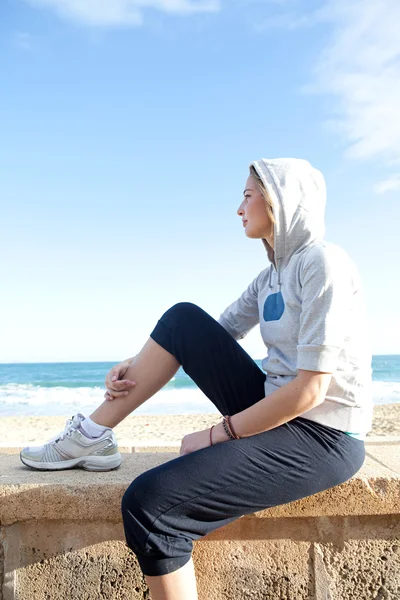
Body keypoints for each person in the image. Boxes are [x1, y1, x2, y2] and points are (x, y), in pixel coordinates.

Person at [20, 158, 373, 600]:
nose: (238, 208)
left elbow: (310, 390)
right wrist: (135, 362)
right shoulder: (270, 276)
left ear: (280, 200)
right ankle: (91, 433)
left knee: (150, 506)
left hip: (324, 436)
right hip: (279, 408)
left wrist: (217, 434)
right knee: (182, 319)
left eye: (247, 195)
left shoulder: (323, 263)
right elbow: (214, 332)